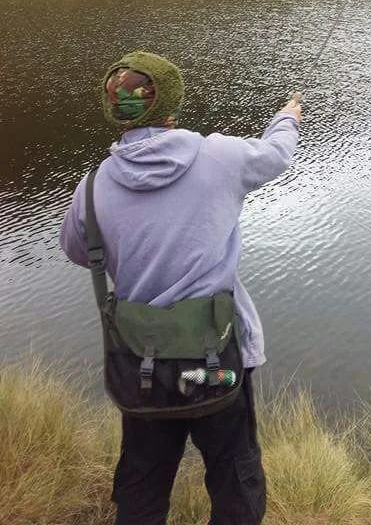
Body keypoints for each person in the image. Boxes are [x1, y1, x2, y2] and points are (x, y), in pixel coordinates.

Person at [59, 50, 301, 525]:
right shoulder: (221, 156)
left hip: (141, 365)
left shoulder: (92, 187)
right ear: (172, 102)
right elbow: (276, 155)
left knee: (142, 485)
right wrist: (286, 117)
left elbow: (77, 250)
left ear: (114, 109)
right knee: (235, 479)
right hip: (219, 355)